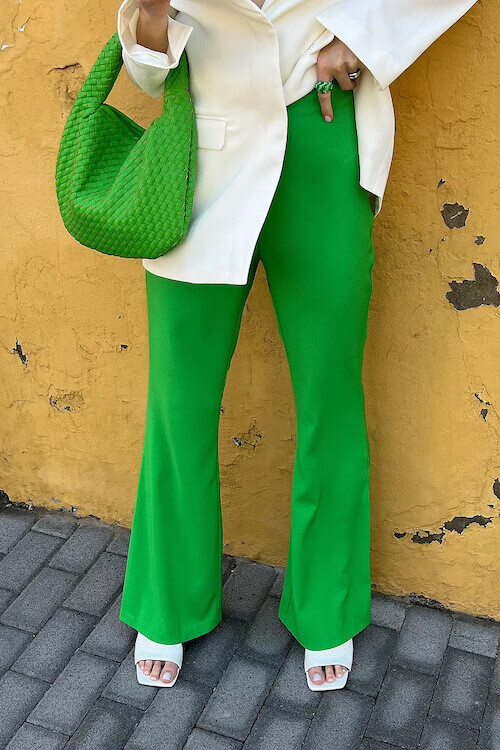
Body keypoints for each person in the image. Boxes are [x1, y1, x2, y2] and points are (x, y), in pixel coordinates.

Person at [116, 0, 478, 691]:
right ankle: (168, 599)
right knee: (179, 400)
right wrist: (153, 12)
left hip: (320, 138)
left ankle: (326, 604)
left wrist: (363, 38)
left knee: (329, 393)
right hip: (202, 160)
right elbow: (148, 75)